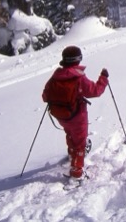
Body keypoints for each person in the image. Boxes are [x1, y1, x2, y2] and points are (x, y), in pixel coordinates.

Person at [42, 46, 109, 179]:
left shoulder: (55, 77)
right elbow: (95, 91)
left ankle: (72, 155)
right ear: (78, 60)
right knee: (80, 142)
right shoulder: (78, 78)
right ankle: (77, 171)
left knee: (70, 135)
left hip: (61, 116)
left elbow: (45, 96)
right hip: (77, 115)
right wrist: (103, 78)